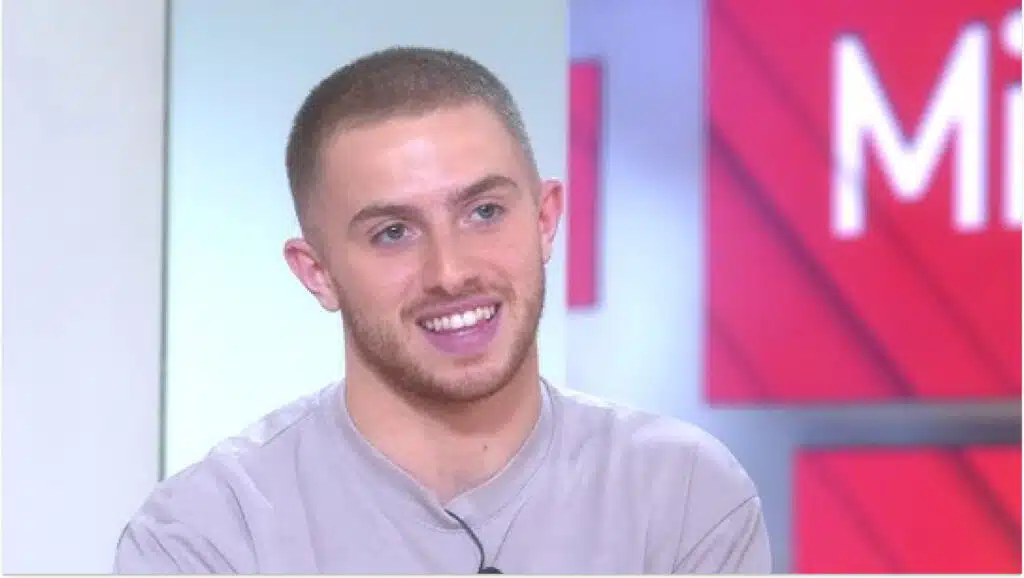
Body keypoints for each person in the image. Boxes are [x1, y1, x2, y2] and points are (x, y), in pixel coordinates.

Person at [113, 46, 772, 574]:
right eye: (393, 232)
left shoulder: (681, 494)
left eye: (484, 212)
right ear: (317, 273)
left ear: (545, 220)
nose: (451, 272)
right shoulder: (210, 534)